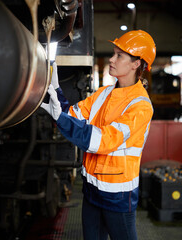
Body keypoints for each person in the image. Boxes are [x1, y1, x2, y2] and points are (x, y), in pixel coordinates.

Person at [41, 30, 156, 240]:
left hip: (117, 196)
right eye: (113, 53)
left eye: (119, 55)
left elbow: (100, 141)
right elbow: (71, 115)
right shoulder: (103, 94)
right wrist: (56, 89)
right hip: (91, 190)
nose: (111, 59)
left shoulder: (140, 106)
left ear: (136, 64)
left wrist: (63, 120)